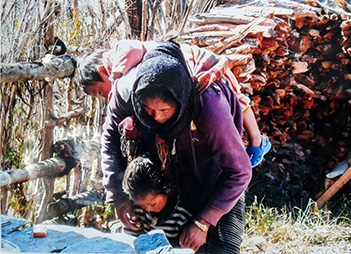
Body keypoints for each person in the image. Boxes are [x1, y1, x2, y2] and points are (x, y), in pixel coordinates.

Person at [101, 41, 252, 253]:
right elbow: (110, 142)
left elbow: (239, 172)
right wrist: (117, 196)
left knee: (221, 250)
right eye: (147, 109)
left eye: (164, 110)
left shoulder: (208, 105)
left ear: (180, 101)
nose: (157, 118)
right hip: (167, 179)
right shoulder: (127, 92)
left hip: (215, 176)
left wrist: (203, 221)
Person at [77, 40, 271, 167]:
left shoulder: (117, 55)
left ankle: (256, 141)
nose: (106, 96)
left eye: (101, 92)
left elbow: (134, 49)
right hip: (172, 77)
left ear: (103, 71)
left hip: (191, 63)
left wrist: (117, 75)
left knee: (233, 99)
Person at [121, 156, 192, 247]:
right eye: (143, 206)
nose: (148, 209)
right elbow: (130, 241)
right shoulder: (136, 210)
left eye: (153, 204)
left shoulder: (181, 214)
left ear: (167, 190)